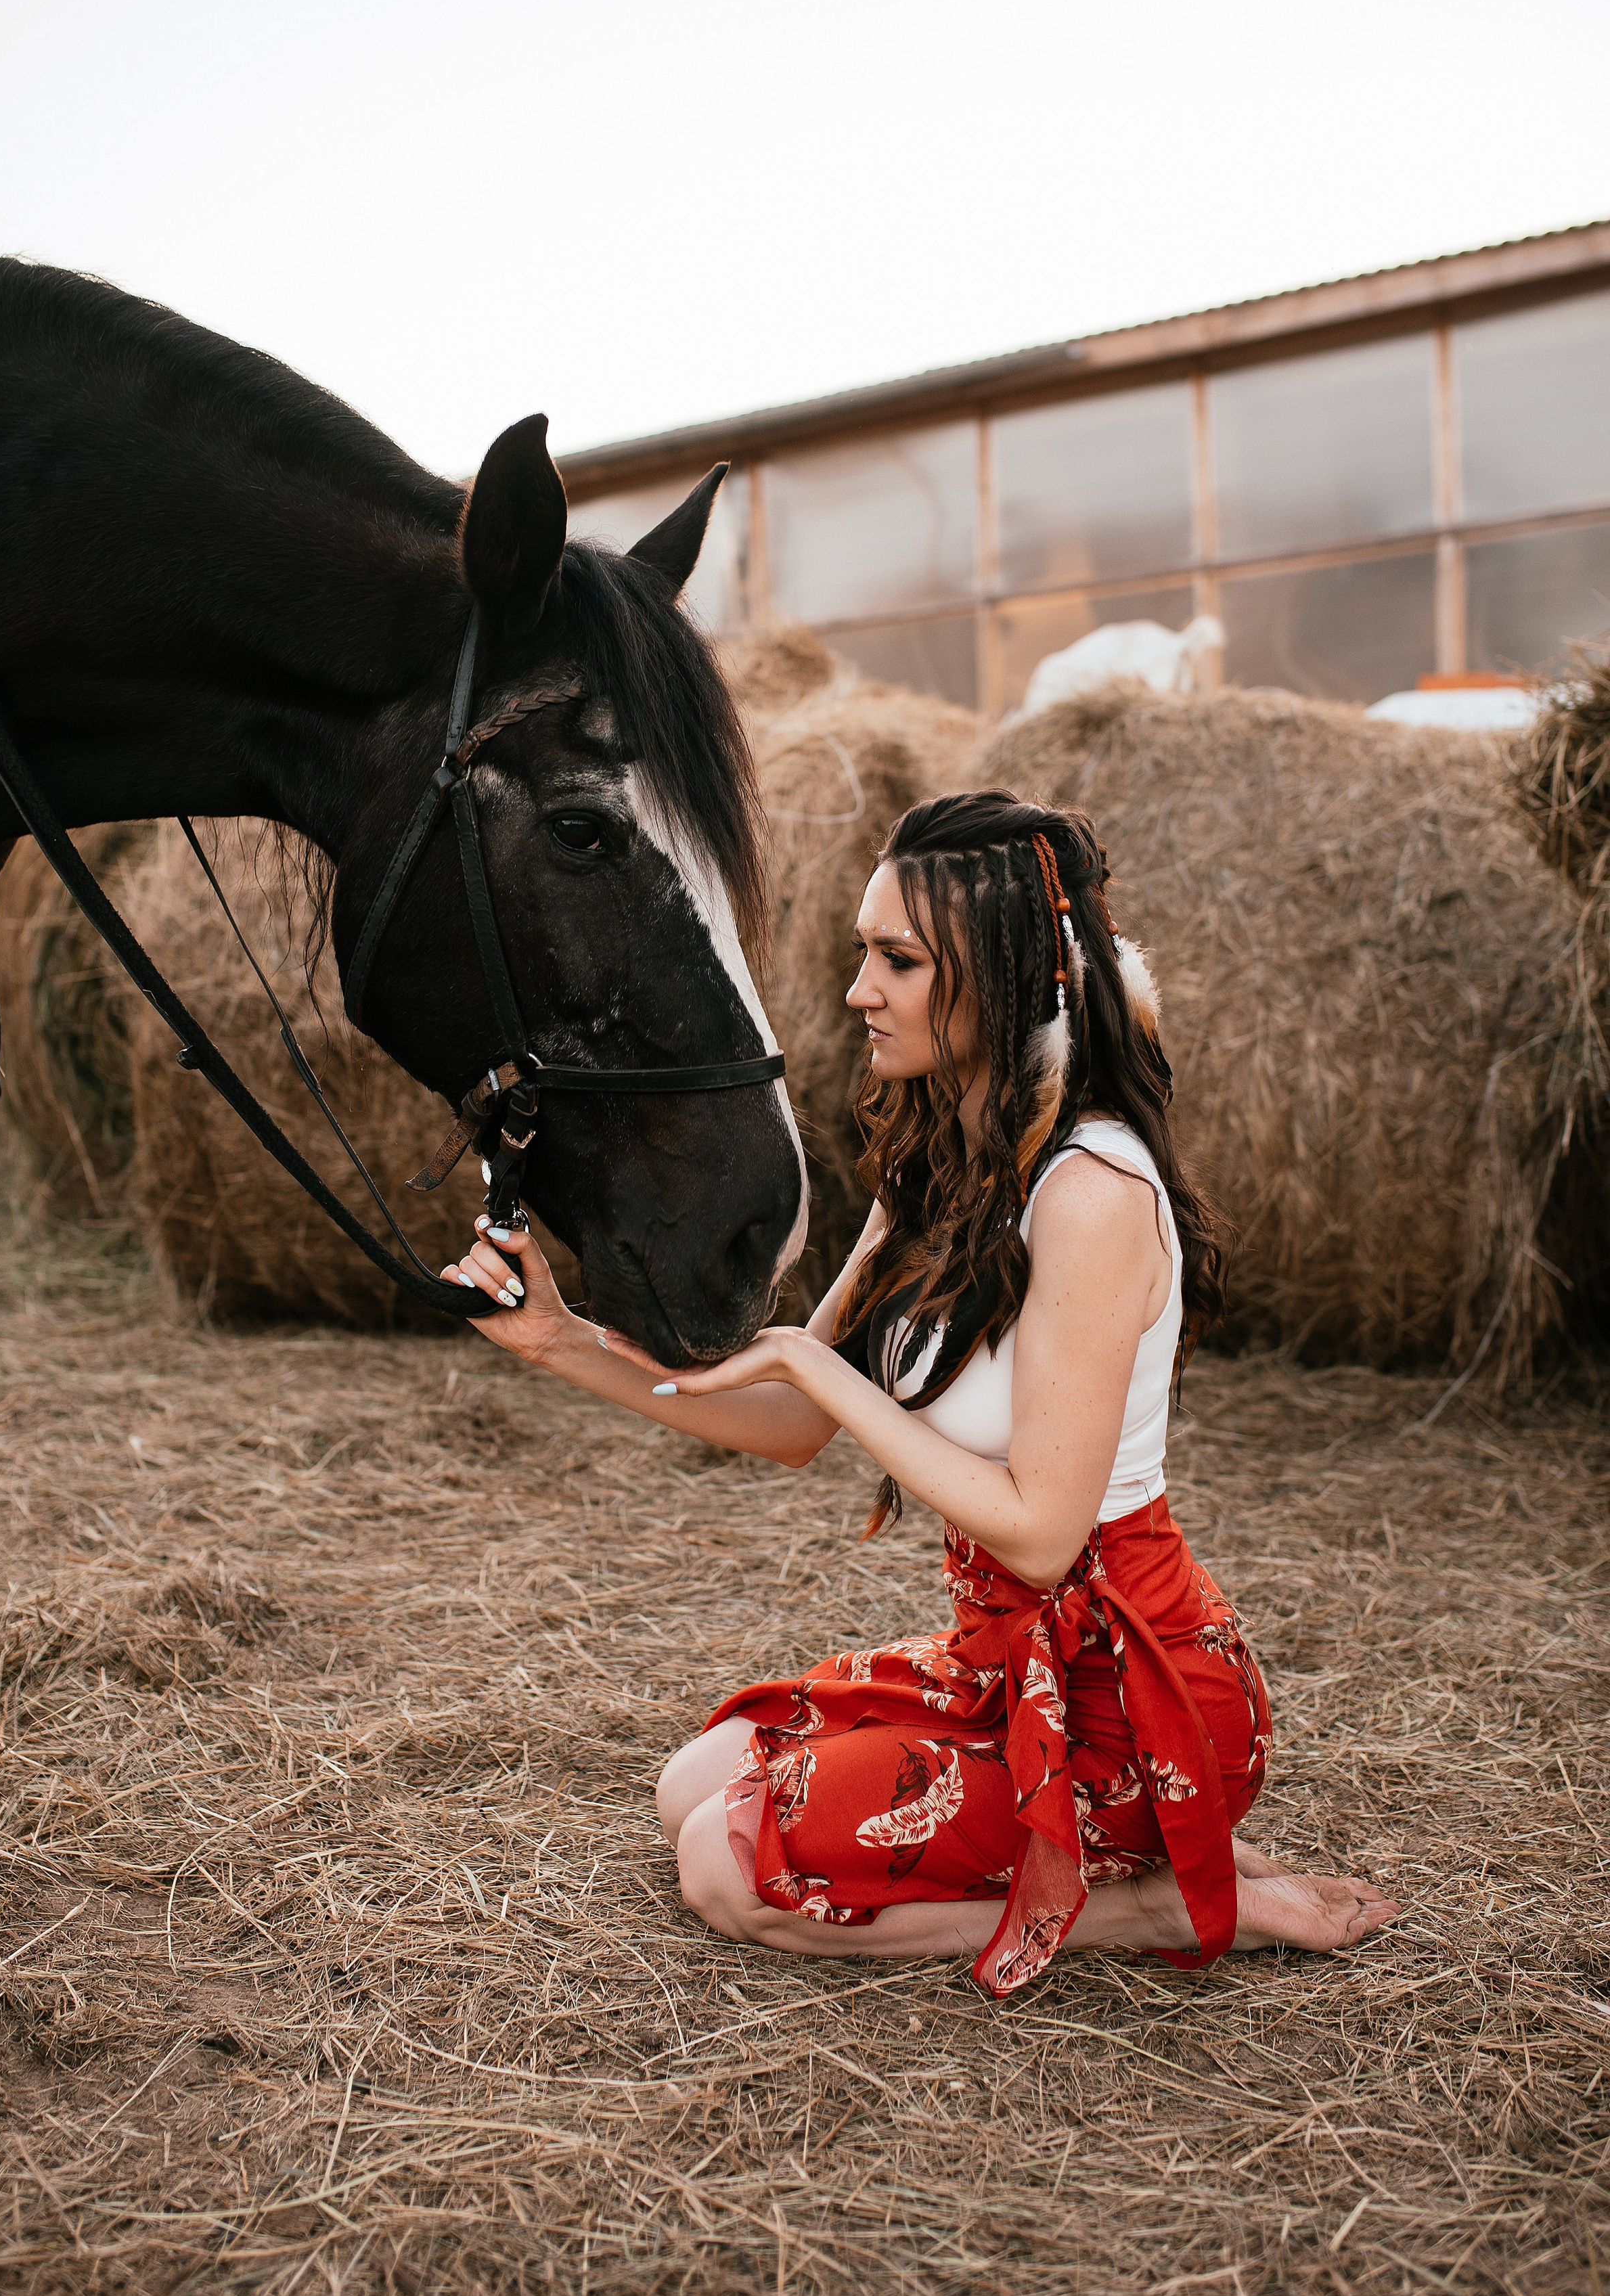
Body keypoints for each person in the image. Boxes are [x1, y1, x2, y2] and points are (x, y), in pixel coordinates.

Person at [444, 792, 1397, 1994]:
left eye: (898, 960)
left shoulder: (1091, 1193)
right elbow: (795, 1428)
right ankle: (1160, 1860)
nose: (859, 991)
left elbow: (1048, 1533)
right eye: (864, 953)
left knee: (728, 1876)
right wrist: (562, 1341)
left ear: (1000, 980)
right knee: (693, 1783)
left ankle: (1162, 1906)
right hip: (1001, 1660)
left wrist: (808, 1358)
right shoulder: (940, 1169)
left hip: (1128, 1697)